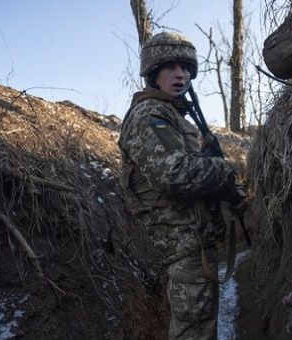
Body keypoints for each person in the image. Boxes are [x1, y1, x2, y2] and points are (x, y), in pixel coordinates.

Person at [118, 32, 247, 340]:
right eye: (171, 67)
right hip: (182, 246)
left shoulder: (175, 117)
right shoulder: (149, 114)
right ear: (153, 73)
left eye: (186, 68)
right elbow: (175, 175)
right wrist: (225, 170)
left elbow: (193, 177)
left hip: (194, 242)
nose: (181, 74)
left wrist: (226, 189)